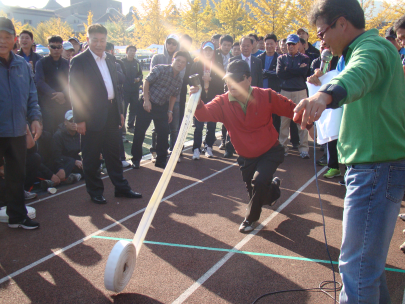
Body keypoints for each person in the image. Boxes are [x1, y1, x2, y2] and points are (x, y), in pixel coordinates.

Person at [294, 0, 405, 302]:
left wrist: (324, 95)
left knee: (356, 270)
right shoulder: (359, 51)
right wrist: (324, 85)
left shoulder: (373, 49)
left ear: (341, 23)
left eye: (321, 33)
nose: (322, 41)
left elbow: (358, 75)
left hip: (375, 169)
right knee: (368, 268)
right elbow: (349, 75)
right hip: (374, 167)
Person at [190, 60, 304, 233]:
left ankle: (250, 219)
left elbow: (292, 110)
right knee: (258, 193)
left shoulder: (266, 95)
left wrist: (309, 119)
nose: (231, 83)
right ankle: (273, 189)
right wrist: (196, 100)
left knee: (258, 182)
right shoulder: (222, 102)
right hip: (246, 157)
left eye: (237, 79)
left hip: (270, 151)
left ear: (249, 79)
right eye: (228, 79)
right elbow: (203, 115)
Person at [69, 24, 142, 205]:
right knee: (91, 156)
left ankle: (121, 187)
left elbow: (117, 88)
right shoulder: (79, 61)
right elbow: (75, 92)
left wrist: (119, 112)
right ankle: (95, 191)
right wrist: (79, 119)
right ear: (88, 40)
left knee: (114, 154)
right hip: (90, 115)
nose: (99, 44)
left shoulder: (110, 59)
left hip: (111, 112)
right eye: (95, 40)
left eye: (102, 40)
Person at [0, 17, 42, 229]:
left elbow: (31, 97)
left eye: (7, 37)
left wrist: (35, 119)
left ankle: (17, 216)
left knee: (17, 176)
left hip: (17, 131)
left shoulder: (23, 66)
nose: (2, 41)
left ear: (14, 40)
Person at [131, 51, 187, 169]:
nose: (180, 64)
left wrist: (170, 111)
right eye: (178, 61)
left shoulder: (179, 80)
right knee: (139, 133)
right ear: (173, 60)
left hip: (162, 107)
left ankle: (161, 160)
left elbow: (173, 96)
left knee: (163, 133)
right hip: (147, 103)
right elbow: (147, 81)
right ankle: (136, 159)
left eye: (183, 62)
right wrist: (146, 100)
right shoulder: (161, 69)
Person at [276, 34, 310, 159]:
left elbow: (303, 72)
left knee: (301, 120)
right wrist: (295, 69)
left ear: (299, 45)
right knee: (284, 121)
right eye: (289, 44)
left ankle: (304, 148)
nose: (290, 46)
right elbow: (280, 73)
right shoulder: (281, 58)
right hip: (285, 91)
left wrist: (288, 69)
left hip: (300, 91)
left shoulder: (305, 58)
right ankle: (283, 147)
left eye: (293, 44)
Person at [149, 34, 180, 162]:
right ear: (165, 44)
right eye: (169, 43)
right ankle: (155, 151)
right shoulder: (157, 57)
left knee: (174, 127)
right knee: (157, 127)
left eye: (174, 43)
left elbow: (180, 77)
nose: (171, 46)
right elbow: (152, 77)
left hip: (174, 98)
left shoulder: (180, 58)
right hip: (158, 100)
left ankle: (173, 151)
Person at [191, 42, 224, 160]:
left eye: (210, 50)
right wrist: (199, 81)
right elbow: (191, 79)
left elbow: (222, 81)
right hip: (199, 98)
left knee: (211, 124)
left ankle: (208, 146)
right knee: (198, 125)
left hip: (212, 97)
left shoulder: (218, 65)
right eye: (206, 50)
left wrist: (211, 79)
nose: (208, 52)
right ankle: (196, 148)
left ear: (213, 52)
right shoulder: (196, 64)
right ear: (202, 51)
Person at [35, 35, 70, 134]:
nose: (56, 49)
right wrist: (55, 94)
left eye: (59, 47)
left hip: (64, 103)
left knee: (64, 131)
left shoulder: (67, 64)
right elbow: (39, 82)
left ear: (62, 48)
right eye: (53, 47)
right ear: (48, 47)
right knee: (48, 133)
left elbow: (72, 82)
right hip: (47, 104)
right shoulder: (41, 63)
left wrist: (63, 94)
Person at [258, 33, 281, 133]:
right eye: (267, 44)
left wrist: (265, 72)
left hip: (274, 92)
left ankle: (275, 140)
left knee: (275, 117)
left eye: (271, 44)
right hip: (260, 92)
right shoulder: (259, 58)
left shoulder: (280, 58)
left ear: (276, 44)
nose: (269, 46)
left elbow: (279, 74)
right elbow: (257, 73)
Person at [121, 45, 143, 134]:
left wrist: (138, 79)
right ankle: (122, 128)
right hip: (124, 90)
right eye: (130, 51)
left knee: (133, 109)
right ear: (126, 52)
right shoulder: (121, 62)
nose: (132, 52)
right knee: (123, 109)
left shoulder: (137, 63)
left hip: (134, 90)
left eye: (134, 51)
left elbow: (140, 75)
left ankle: (130, 126)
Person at [179, 35, 194, 128]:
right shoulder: (174, 53)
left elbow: (190, 75)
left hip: (181, 89)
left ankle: (177, 139)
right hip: (168, 88)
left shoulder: (190, 58)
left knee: (180, 112)